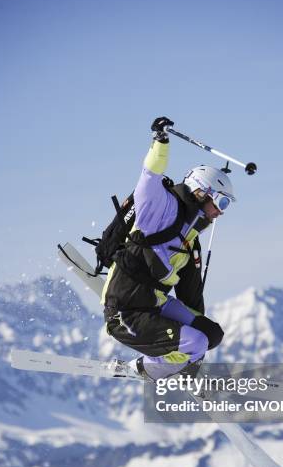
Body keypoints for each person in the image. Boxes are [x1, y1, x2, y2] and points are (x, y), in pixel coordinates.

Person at [101, 117, 235, 381]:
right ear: (201, 191)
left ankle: (182, 364)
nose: (220, 211)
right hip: (126, 310)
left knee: (211, 335)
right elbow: (150, 175)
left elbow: (191, 291)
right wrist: (160, 141)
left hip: (155, 305)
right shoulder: (160, 207)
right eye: (220, 201)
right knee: (195, 343)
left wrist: (195, 333)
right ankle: (144, 369)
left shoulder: (190, 238)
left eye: (227, 204)